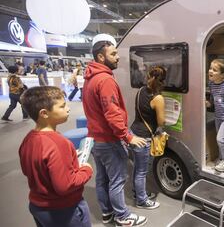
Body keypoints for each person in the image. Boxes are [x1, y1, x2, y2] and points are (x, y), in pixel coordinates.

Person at [82, 34, 148, 226]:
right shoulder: (105, 80)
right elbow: (112, 113)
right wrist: (127, 137)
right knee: (118, 179)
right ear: (101, 57)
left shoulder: (90, 77)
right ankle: (123, 216)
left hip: (95, 139)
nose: (118, 57)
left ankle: (107, 213)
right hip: (109, 140)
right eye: (114, 54)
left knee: (102, 179)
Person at [19, 86, 93, 227]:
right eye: (62, 106)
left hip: (38, 206)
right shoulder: (58, 143)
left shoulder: (28, 139)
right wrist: (86, 170)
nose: (68, 108)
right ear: (44, 113)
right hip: (63, 210)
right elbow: (65, 186)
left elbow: (29, 169)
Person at [130, 66, 166, 209]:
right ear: (162, 81)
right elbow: (161, 122)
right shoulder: (158, 98)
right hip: (144, 138)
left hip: (133, 133)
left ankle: (137, 193)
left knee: (137, 168)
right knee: (142, 172)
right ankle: (142, 201)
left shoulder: (140, 91)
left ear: (149, 77)